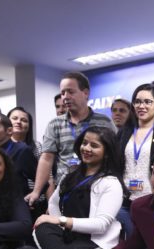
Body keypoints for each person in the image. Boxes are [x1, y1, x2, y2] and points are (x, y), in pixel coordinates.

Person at [25, 72, 115, 207]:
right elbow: (46, 159)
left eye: (70, 92)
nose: (65, 97)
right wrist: (36, 191)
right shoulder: (54, 124)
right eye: (62, 93)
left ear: (85, 93)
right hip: (66, 189)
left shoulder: (104, 121)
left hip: (97, 189)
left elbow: (114, 155)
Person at [116, 83, 154, 237]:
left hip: (152, 199)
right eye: (138, 101)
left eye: (148, 102)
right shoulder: (124, 132)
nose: (142, 106)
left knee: (148, 244)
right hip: (124, 200)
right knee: (127, 243)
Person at [0, 113, 38, 198]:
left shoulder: (21, 150)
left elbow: (40, 180)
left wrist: (32, 197)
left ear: (9, 131)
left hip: (15, 204)